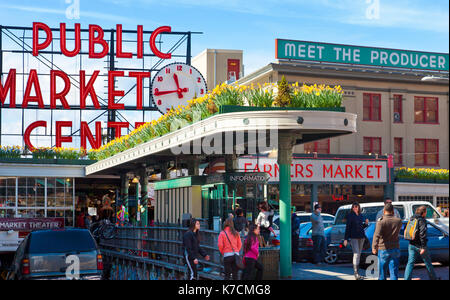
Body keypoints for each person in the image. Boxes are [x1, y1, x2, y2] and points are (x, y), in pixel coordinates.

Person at [404, 206, 439, 280]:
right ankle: (433, 278)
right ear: (423, 213)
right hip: (420, 246)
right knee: (428, 263)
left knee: (410, 263)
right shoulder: (422, 220)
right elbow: (422, 234)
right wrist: (423, 247)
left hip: (411, 244)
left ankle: (407, 278)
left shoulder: (412, 218)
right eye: (426, 212)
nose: (426, 214)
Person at [372, 203, 403, 280]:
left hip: (383, 248)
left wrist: (374, 247)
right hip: (395, 247)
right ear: (393, 211)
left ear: (384, 211)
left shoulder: (381, 221)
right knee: (394, 273)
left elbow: (376, 235)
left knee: (382, 273)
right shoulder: (398, 221)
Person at [343, 202, 369, 280]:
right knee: (356, 254)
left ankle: (358, 273)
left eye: (356, 207)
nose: (355, 208)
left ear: (359, 207)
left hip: (361, 237)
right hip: (354, 237)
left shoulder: (360, 215)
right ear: (352, 208)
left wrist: (366, 224)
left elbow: (361, 227)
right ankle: (356, 274)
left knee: (359, 254)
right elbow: (348, 228)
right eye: (353, 207)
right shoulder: (350, 216)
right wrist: (346, 239)